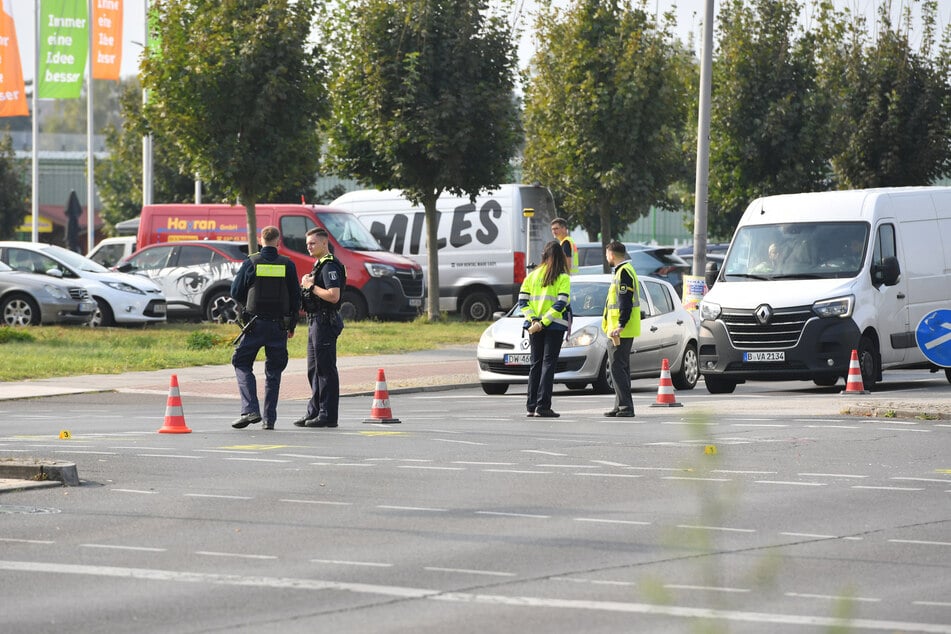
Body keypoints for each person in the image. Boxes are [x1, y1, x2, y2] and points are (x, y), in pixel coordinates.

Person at [230, 226, 300, 430]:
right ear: (278, 242)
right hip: (279, 326)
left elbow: (235, 291)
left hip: (254, 325)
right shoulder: (288, 264)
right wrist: (292, 324)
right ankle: (269, 420)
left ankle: (250, 409)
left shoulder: (251, 262)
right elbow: (296, 298)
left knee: (241, 362)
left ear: (261, 241)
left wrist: (247, 305)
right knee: (274, 371)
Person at [294, 227, 346, 428]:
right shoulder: (319, 265)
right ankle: (314, 411)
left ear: (324, 243)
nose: (309, 246)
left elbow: (334, 295)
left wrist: (310, 287)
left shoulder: (329, 266)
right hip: (314, 320)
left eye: (313, 243)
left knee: (325, 370)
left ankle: (327, 414)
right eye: (307, 243)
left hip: (325, 321)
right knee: (313, 369)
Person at [518, 240, 571, 418]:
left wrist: (534, 320)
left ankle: (531, 406)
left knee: (535, 365)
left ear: (544, 255)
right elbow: (561, 302)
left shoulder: (531, 276)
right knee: (548, 365)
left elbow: (522, 302)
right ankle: (543, 406)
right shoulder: (563, 278)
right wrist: (545, 322)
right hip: (554, 326)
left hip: (535, 326)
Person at [602, 240, 641, 418]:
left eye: (607, 254)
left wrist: (620, 325)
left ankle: (626, 407)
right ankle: (620, 405)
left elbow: (625, 301)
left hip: (621, 330)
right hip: (619, 329)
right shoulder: (622, 271)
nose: (606, 257)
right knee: (620, 367)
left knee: (618, 368)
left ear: (611, 254)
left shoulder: (624, 272)